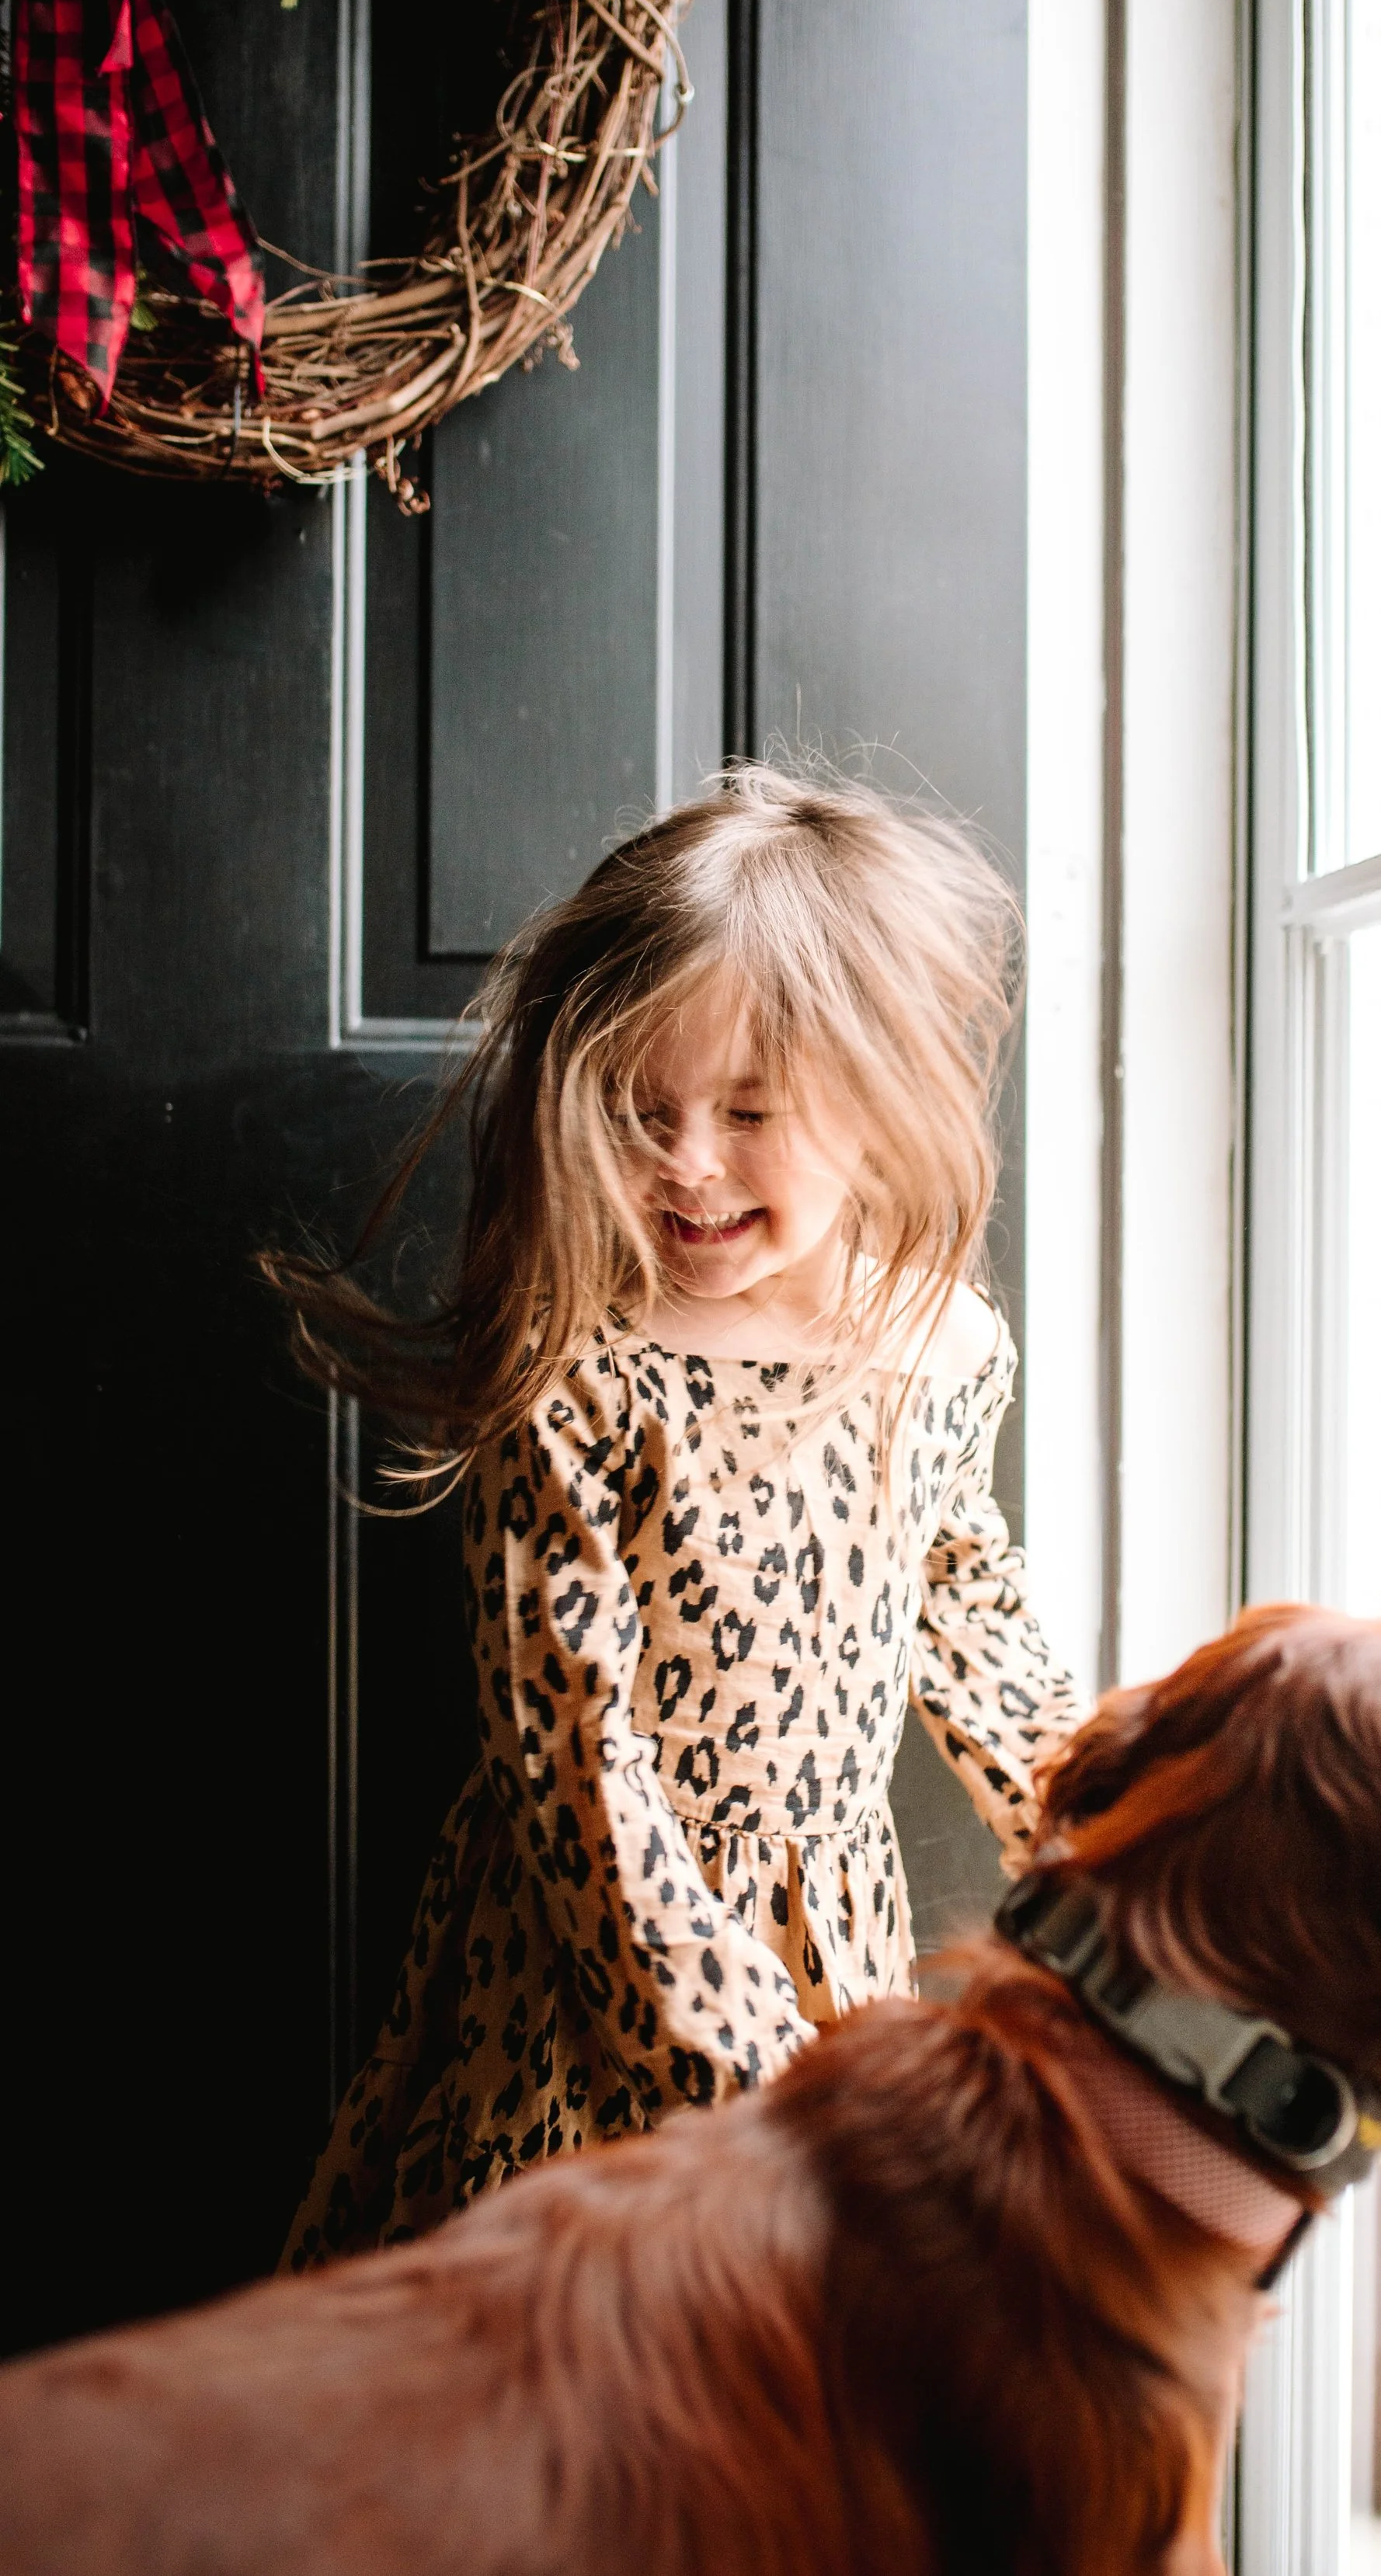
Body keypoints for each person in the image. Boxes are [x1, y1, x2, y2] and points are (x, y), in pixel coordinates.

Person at [273, 764, 1083, 2267]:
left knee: (796, 2390)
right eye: (643, 1111)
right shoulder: (579, 1370)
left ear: (876, 1098)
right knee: (572, 2371)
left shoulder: (939, 1347)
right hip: (591, 1981)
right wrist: (736, 2070)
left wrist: (1110, 1855)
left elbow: (969, 1604)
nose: (688, 1160)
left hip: (833, 1949)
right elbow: (573, 1752)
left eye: (750, 1110)